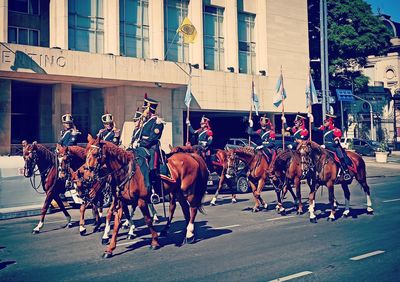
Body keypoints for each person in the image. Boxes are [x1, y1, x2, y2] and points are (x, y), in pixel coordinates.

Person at [315, 113, 351, 181]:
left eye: (326, 122)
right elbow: (314, 129)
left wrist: (325, 145)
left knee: (339, 157)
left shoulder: (337, 131)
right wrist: (312, 120)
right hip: (325, 147)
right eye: (324, 122)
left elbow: (335, 143)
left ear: (330, 122)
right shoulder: (324, 129)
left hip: (334, 147)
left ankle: (345, 172)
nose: (324, 123)